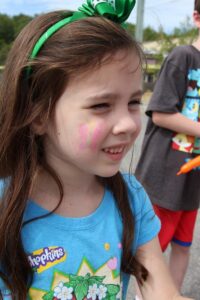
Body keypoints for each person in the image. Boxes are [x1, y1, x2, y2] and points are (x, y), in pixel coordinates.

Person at [0, 0, 194, 299]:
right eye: (101, 105)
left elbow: (163, 292)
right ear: (38, 114)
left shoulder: (130, 199)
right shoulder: (6, 206)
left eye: (133, 102)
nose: (129, 124)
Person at [135, 0, 200, 294]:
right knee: (151, 250)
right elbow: (161, 113)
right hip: (165, 176)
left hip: (192, 181)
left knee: (183, 247)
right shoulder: (182, 56)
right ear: (197, 18)